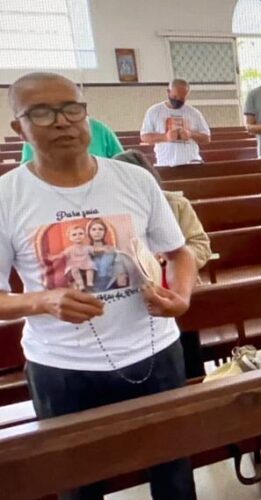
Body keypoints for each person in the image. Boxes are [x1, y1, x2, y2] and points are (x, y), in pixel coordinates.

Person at [0, 72, 198, 500]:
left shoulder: (134, 179)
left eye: (72, 109)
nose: (62, 122)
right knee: (78, 487)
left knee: (175, 477)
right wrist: (43, 299)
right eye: (42, 112)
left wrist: (180, 296)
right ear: (19, 126)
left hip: (154, 354)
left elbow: (180, 253)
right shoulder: (7, 196)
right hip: (63, 368)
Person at [115, 149, 212, 378]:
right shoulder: (112, 209)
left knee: (187, 360)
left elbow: (200, 244)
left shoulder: (175, 203)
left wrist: (169, 259)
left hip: (178, 288)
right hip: (137, 295)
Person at [140, 79, 211, 166]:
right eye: (174, 97)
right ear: (168, 92)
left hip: (192, 162)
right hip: (165, 163)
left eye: (182, 98)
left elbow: (207, 138)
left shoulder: (194, 113)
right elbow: (144, 136)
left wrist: (190, 134)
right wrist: (165, 137)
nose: (177, 100)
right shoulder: (154, 111)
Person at [19, 116, 123, 163]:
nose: (62, 121)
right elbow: (27, 172)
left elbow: (122, 162)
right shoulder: (36, 134)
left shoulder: (98, 128)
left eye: (71, 110)